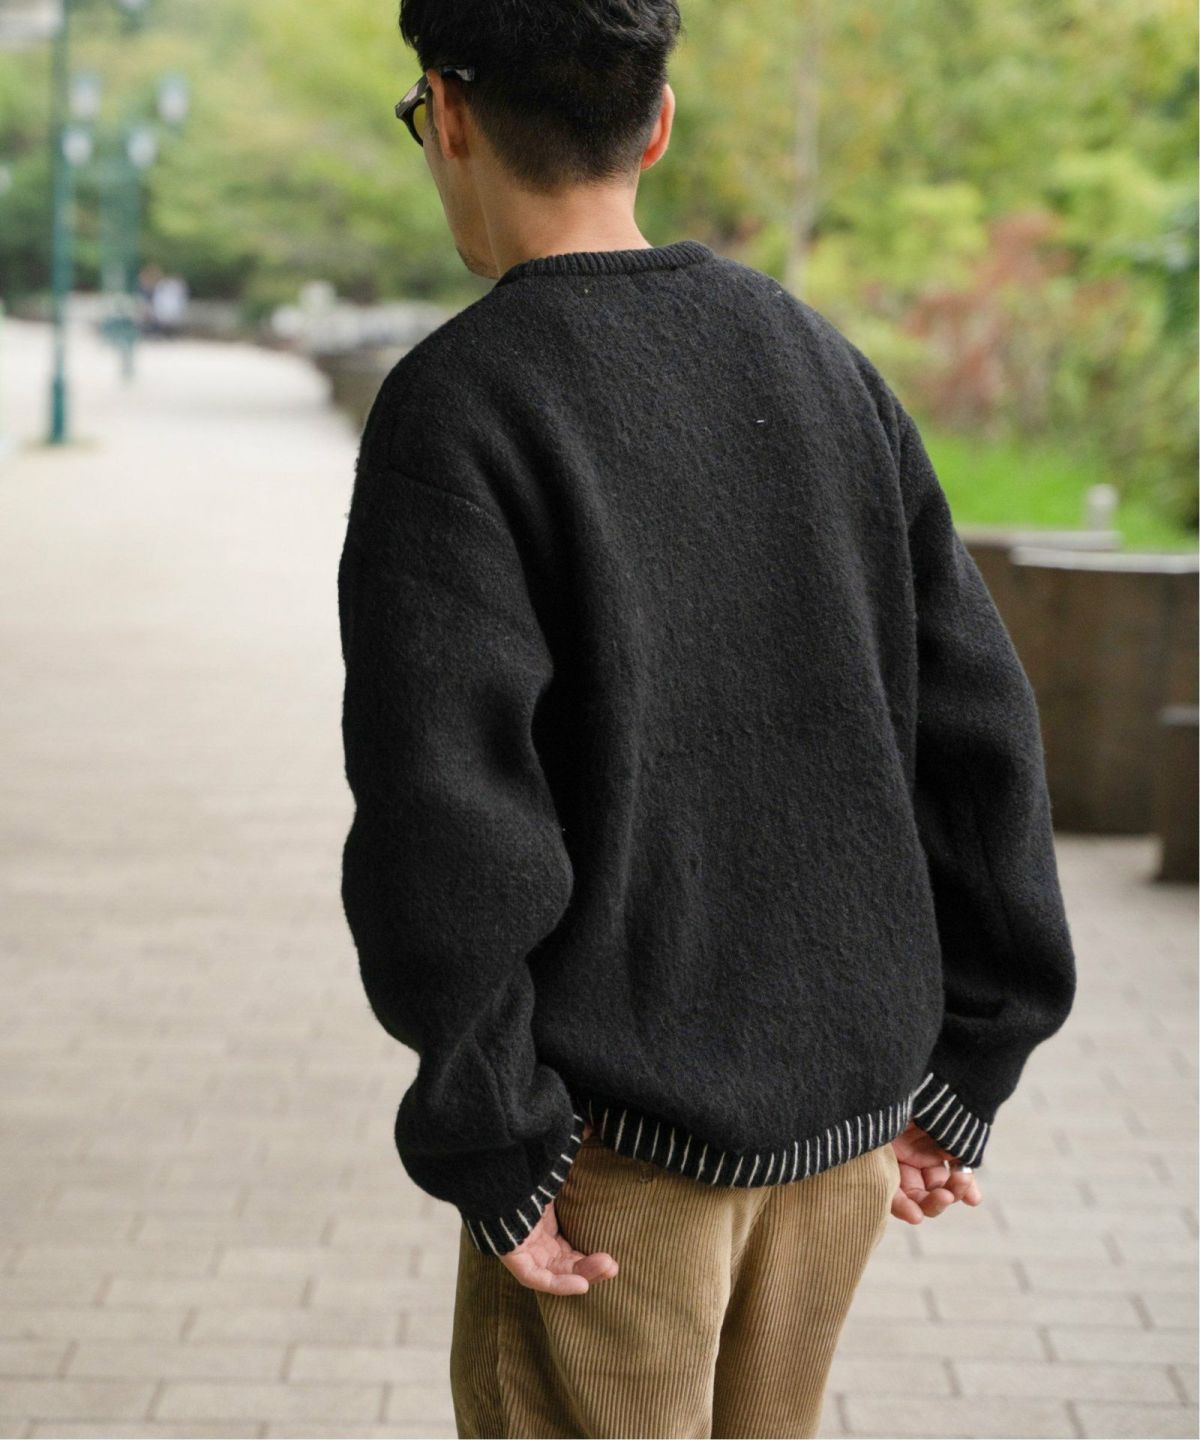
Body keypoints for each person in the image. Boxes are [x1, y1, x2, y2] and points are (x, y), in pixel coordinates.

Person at [335, 3, 1078, 1436]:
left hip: (608, 1161)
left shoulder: (462, 403)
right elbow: (981, 729)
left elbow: (446, 813)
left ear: (451, 112)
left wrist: (495, 1139)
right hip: (843, 1140)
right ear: (658, 124)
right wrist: (971, 1062)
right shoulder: (818, 361)